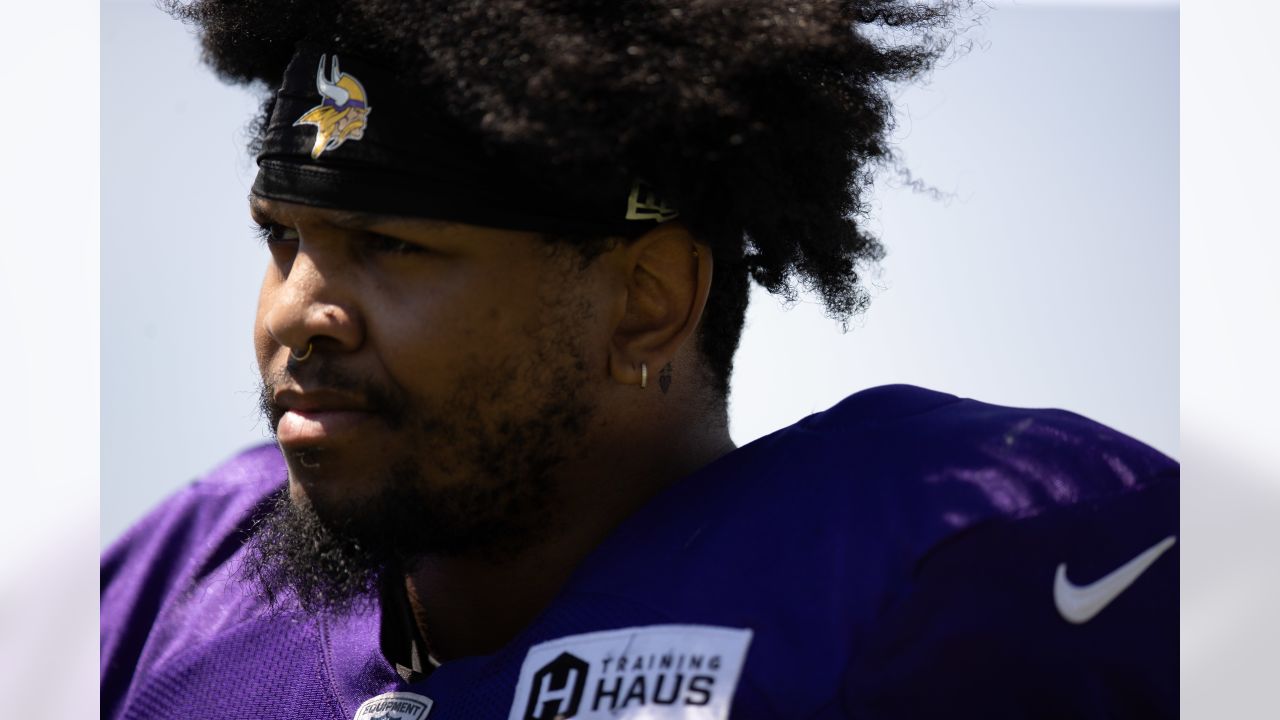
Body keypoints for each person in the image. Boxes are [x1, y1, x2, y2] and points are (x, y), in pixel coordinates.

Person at [100, 1, 1178, 718]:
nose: (298, 313)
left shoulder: (932, 578)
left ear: (647, 303)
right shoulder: (184, 578)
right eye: (282, 239)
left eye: (392, 247)